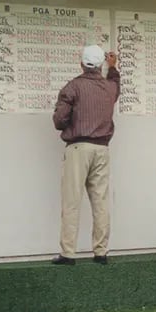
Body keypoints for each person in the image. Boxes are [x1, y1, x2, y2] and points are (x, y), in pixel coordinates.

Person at [51, 45, 120, 266]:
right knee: (100, 201)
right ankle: (101, 252)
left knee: (72, 200)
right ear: (100, 64)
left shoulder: (73, 87)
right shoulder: (109, 87)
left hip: (79, 147)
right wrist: (114, 67)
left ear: (81, 63)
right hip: (102, 148)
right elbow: (116, 85)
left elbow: (58, 121)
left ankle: (68, 252)